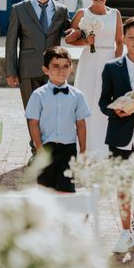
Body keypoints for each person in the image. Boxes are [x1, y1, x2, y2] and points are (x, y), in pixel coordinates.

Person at [99, 17, 134, 254]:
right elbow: (103, 102)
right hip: (120, 133)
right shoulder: (112, 68)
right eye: (131, 37)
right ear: (124, 39)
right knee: (122, 185)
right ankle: (124, 231)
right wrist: (116, 110)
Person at [5, 0, 83, 111]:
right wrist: (11, 72)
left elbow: (70, 32)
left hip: (54, 69)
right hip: (28, 70)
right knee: (32, 112)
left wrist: (84, 32)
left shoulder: (61, 10)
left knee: (53, 111)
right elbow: (11, 43)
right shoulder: (19, 9)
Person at [26, 46, 90, 192]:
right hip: (46, 148)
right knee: (45, 191)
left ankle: (65, 215)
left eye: (65, 66)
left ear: (71, 68)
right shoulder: (38, 95)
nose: (61, 70)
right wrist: (39, 148)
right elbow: (33, 123)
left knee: (66, 189)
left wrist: (83, 150)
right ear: (45, 70)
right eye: (56, 66)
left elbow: (81, 123)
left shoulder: (78, 95)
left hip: (68, 149)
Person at [72, 0, 123, 154]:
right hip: (89, 61)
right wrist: (85, 42)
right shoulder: (82, 13)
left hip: (109, 60)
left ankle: (104, 146)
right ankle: (84, 147)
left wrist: (117, 65)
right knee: (86, 100)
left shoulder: (115, 13)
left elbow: (120, 41)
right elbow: (70, 39)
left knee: (105, 100)